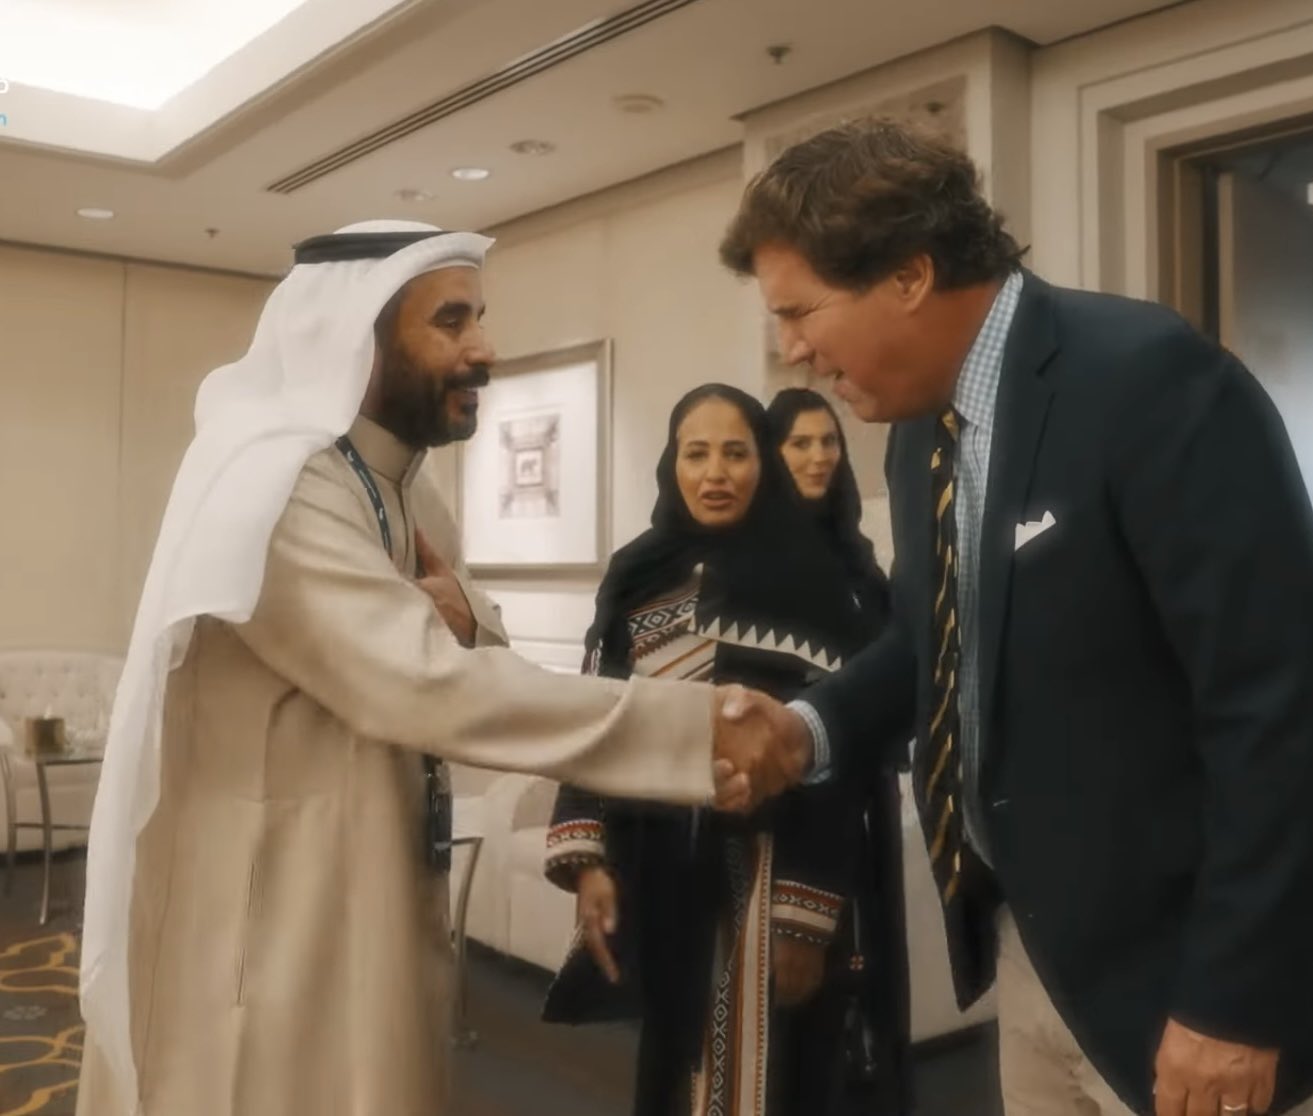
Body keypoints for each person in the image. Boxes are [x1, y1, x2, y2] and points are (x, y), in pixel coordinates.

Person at [715, 120, 1313, 1116]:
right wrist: (807, 728)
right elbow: (929, 640)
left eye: (798, 312)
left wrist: (1233, 1002)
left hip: (1189, 980)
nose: (790, 350)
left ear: (908, 275)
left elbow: (1276, 706)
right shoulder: (916, 435)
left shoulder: (1144, 381)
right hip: (1036, 952)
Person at [74, 223, 800, 1116]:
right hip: (268, 921)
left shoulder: (399, 484)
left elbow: (471, 629)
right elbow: (427, 681)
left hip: (374, 886)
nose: (483, 349)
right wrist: (697, 728)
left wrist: (461, 614)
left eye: (479, 318)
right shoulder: (280, 490)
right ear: (360, 340)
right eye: (451, 322)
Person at [540, 384, 895, 1116]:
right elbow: (597, 716)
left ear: (762, 462)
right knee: (676, 1070)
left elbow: (843, 759)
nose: (715, 473)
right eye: (696, 454)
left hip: (775, 874)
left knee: (778, 1078)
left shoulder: (814, 581)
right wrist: (590, 859)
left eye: (735, 453)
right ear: (671, 463)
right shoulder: (636, 574)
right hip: (665, 875)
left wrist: (804, 915)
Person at [766, 386, 911, 1114]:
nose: (819, 456)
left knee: (867, 1004)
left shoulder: (858, 564)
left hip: (865, 812)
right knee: (797, 1032)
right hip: (791, 827)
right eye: (800, 443)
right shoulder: (755, 570)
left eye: (828, 441)